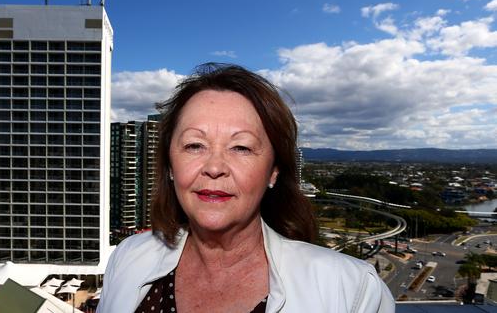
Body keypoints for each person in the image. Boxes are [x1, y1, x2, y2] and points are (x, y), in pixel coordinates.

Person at [98, 63, 395, 312]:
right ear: (170, 166)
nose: (214, 167)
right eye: (194, 145)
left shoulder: (352, 291)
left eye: (241, 147)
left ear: (274, 171)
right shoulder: (128, 258)